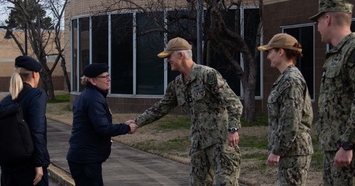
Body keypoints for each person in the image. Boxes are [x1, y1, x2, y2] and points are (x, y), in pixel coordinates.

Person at [129, 37, 243, 186]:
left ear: (180, 55)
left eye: (169, 56)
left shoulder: (208, 75)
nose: (167, 60)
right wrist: (137, 123)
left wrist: (233, 129)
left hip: (220, 144)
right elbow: (161, 107)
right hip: (198, 147)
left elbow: (233, 102)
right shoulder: (177, 84)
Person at [67, 63, 137, 186]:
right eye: (104, 77)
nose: (109, 79)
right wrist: (126, 128)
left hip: (84, 156)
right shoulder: (94, 98)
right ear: (93, 81)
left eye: (108, 75)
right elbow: (103, 128)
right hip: (86, 159)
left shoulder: (90, 96)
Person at [309, 0, 355, 186]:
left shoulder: (351, 50)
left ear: (327, 19)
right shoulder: (336, 54)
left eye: (318, 22)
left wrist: (348, 144)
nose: (317, 27)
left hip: (347, 151)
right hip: (334, 148)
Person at [258, 33, 313, 185]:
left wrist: (277, 150)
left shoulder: (291, 80)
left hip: (294, 152)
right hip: (290, 152)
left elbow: (291, 120)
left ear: (280, 52)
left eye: (270, 52)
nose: (268, 56)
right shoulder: (285, 78)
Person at [0, 55, 50, 186]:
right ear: (34, 74)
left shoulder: (6, 101)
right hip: (30, 167)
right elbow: (37, 130)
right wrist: (39, 163)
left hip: (9, 168)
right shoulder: (36, 95)